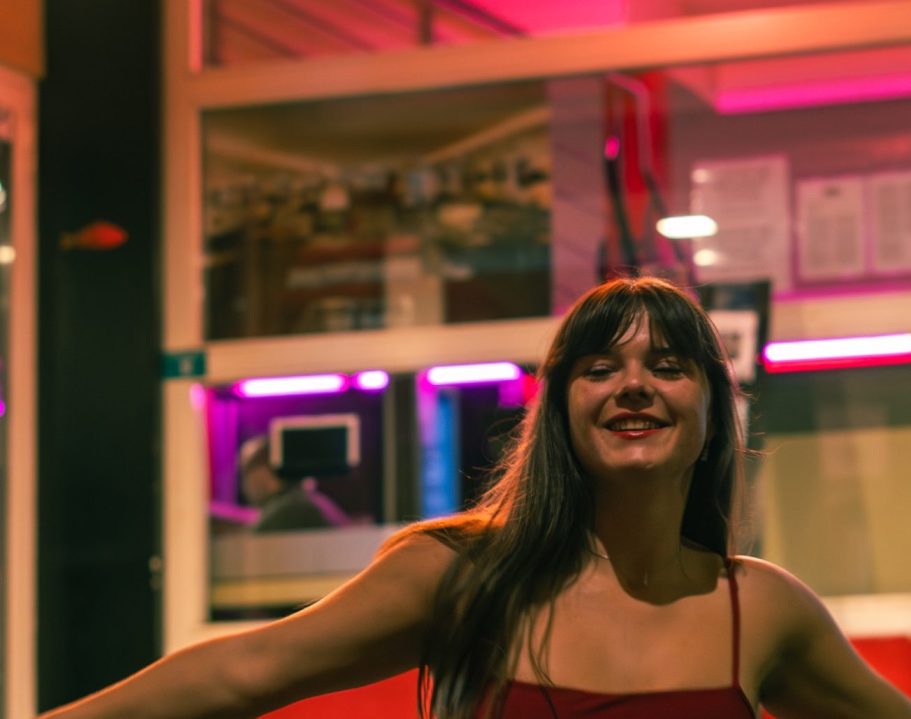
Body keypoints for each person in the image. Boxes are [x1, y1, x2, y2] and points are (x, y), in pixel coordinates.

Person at [40, 277, 911, 718]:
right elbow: (242, 671)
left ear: (712, 409)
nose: (633, 387)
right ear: (560, 406)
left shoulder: (758, 606)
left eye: (668, 367)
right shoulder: (462, 573)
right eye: (600, 367)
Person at [237, 436, 351, 532]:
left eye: (248, 471)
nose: (245, 483)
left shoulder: (290, 509)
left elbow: (249, 543)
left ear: (266, 470)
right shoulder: (307, 500)